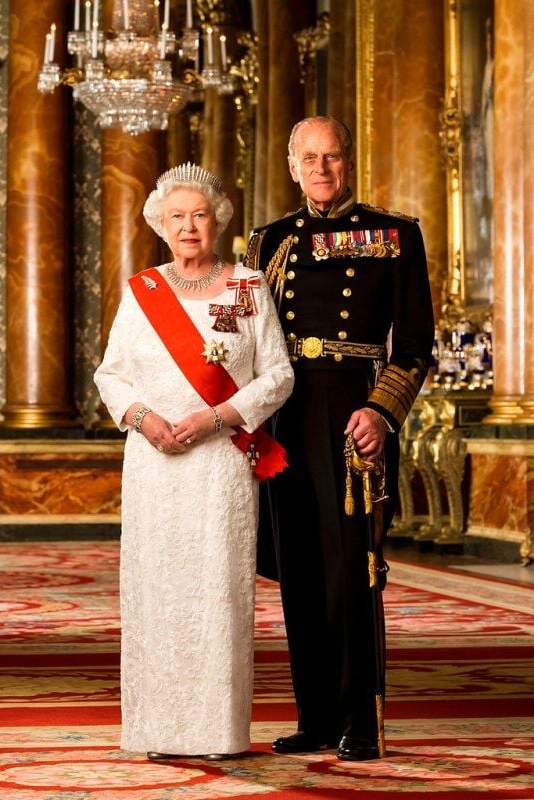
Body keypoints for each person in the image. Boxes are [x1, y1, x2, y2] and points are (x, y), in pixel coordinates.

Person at [245, 116, 434, 761]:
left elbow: (413, 348)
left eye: (332, 156)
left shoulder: (393, 235)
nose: (321, 169)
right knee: (298, 571)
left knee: (352, 573)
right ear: (292, 165)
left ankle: (362, 720)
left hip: (353, 418)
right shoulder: (268, 241)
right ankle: (317, 716)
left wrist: (381, 413)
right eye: (309, 158)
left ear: (347, 161)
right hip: (285, 415)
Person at [94, 163, 294, 760]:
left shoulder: (246, 287)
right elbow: (110, 375)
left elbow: (279, 375)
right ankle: (157, 729)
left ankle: (217, 731)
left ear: (218, 221)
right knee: (157, 589)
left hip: (219, 465)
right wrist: (142, 418)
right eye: (177, 216)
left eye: (199, 215)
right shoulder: (141, 292)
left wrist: (219, 417)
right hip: (154, 466)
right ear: (160, 224)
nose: (189, 226)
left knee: (217, 591)